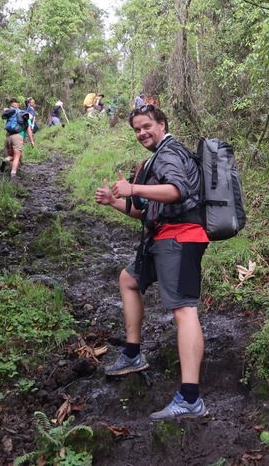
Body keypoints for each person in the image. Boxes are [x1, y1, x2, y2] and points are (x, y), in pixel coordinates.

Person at [94, 104, 209, 420]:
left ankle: (190, 399)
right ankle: (132, 354)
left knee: (184, 311)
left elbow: (176, 191)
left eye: (147, 126)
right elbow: (145, 211)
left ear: (162, 124)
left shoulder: (171, 152)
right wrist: (116, 201)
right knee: (128, 279)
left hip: (181, 239)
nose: (142, 133)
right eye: (136, 129)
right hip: (161, 239)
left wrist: (134, 188)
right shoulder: (156, 158)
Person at [1, 99, 35, 178]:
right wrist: (32, 141)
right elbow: (29, 130)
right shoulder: (24, 115)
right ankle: (13, 176)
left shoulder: (11, 115)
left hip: (8, 137)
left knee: (11, 155)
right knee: (17, 157)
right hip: (18, 136)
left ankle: (5, 160)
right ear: (19, 106)